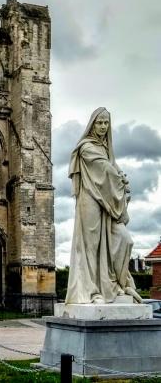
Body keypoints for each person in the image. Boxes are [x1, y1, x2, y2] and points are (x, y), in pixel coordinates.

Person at [65, 107, 141, 304]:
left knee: (125, 239)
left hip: (107, 201)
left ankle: (117, 284)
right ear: (92, 124)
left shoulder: (106, 148)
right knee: (92, 244)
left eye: (106, 123)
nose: (103, 126)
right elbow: (104, 169)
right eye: (99, 122)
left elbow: (112, 167)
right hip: (89, 198)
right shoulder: (86, 147)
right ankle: (92, 291)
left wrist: (121, 179)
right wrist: (119, 180)